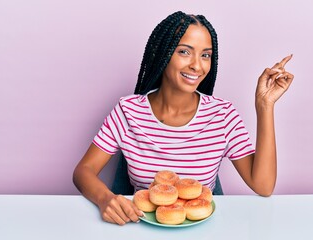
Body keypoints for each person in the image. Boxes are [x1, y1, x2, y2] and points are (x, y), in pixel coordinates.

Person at [73, 11, 294, 225]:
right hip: (143, 229)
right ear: (163, 54)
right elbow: (84, 171)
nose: (197, 65)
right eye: (185, 52)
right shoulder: (128, 111)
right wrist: (105, 199)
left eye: (205, 55)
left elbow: (263, 186)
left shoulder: (222, 115)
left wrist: (265, 105)